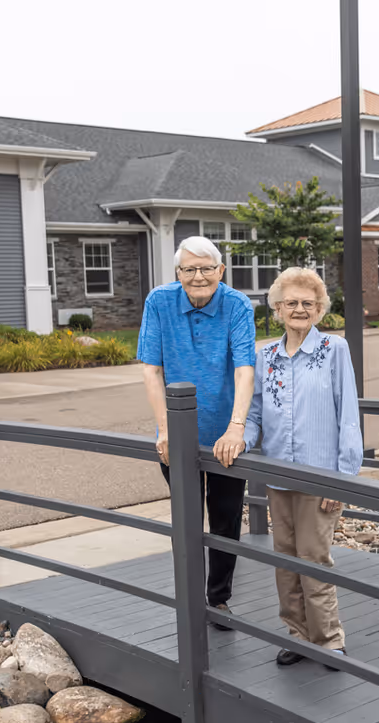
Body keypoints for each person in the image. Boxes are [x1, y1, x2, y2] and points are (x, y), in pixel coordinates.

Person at [244, 267, 362, 666]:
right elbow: (255, 415)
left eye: (307, 303)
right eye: (291, 302)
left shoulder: (334, 350)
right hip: (279, 476)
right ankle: (297, 635)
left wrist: (341, 479)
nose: (298, 309)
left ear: (319, 309)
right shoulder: (267, 356)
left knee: (314, 559)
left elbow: (348, 415)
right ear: (277, 308)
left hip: (319, 477)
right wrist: (239, 439)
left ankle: (328, 640)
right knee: (285, 559)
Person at [138, 236, 255, 629]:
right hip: (178, 434)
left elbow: (244, 368)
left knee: (225, 520)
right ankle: (189, 595)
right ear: (178, 273)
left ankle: (218, 600)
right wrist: (167, 428)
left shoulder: (237, 305)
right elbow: (151, 369)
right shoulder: (159, 302)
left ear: (221, 271)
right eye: (189, 269)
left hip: (224, 435)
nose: (198, 276)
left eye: (207, 268)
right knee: (186, 520)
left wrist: (236, 427)